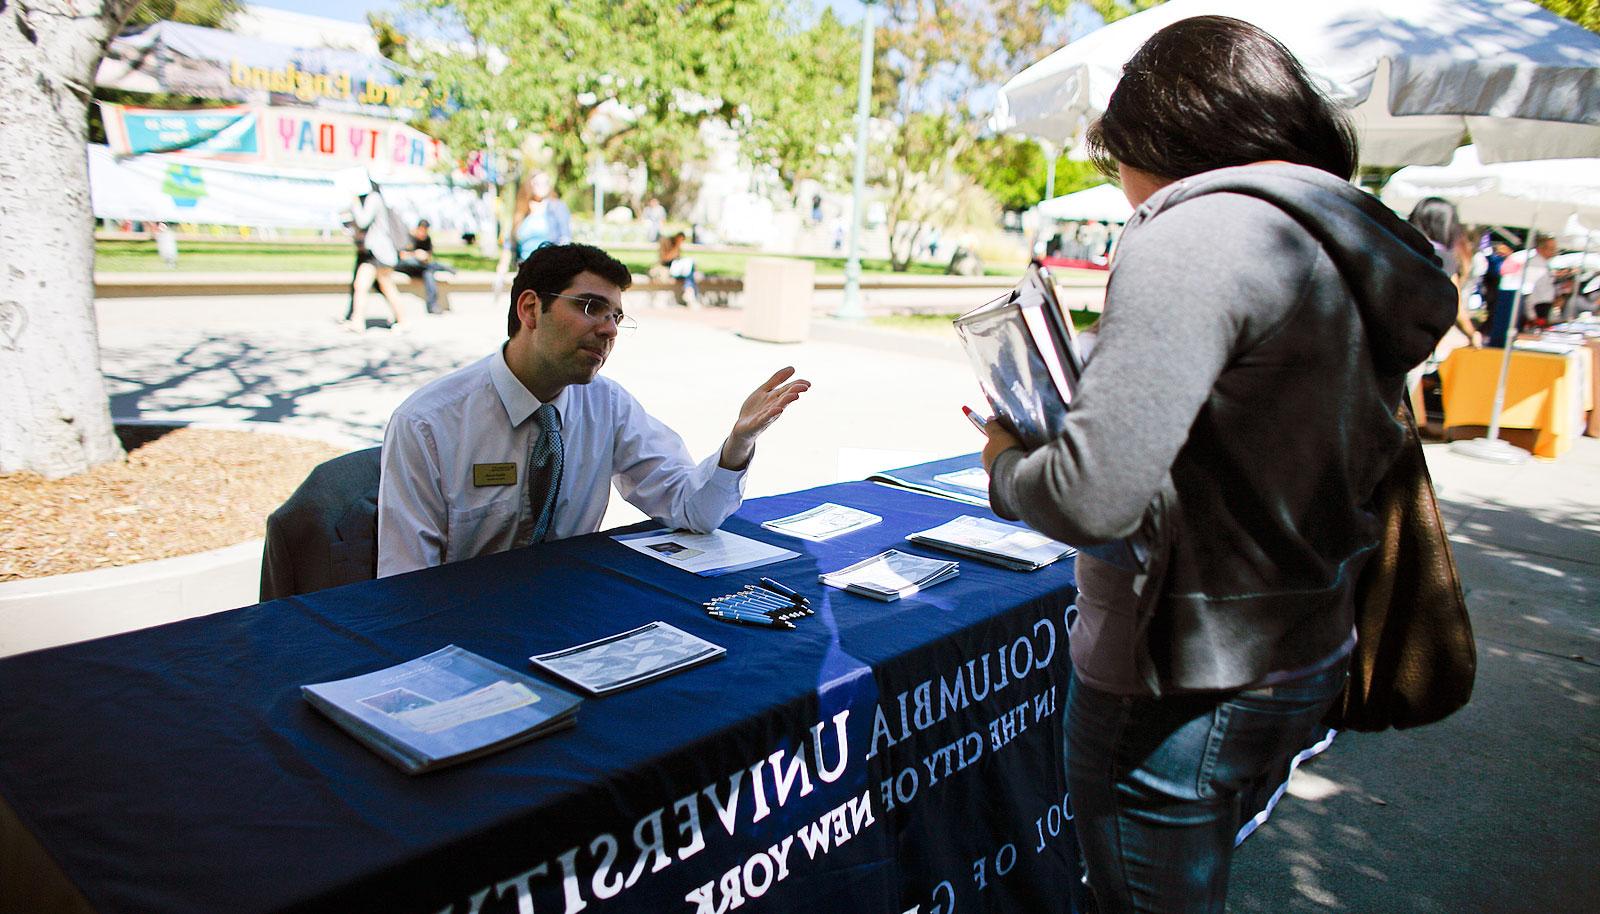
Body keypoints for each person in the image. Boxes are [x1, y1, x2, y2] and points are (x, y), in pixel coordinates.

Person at [976, 17, 1457, 914]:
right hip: (1301, 641)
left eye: (1116, 159)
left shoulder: (1195, 234)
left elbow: (1092, 497)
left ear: (1162, 136)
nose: (1121, 190)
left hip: (1177, 673)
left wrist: (1006, 464)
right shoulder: (1341, 234)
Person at [377, 243, 809, 577]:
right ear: (530, 309)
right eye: (590, 307)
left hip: (572, 609)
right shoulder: (429, 423)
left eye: (617, 317)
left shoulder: (607, 406)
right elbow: (404, 580)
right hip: (459, 624)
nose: (608, 329)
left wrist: (739, 442)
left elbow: (693, 510)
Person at [345, 179, 412, 333]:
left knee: (386, 285)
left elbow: (363, 221)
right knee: (361, 285)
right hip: (374, 253)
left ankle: (403, 320)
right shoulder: (375, 198)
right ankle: (357, 321)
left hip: (380, 252)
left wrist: (354, 201)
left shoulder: (374, 198)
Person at [492, 171, 573, 297]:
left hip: (549, 269)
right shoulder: (522, 210)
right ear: (530, 185)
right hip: (525, 269)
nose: (542, 186)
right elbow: (510, 243)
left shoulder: (557, 208)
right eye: (537, 183)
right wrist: (501, 271)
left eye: (545, 183)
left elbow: (565, 239)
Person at [1502, 233, 1559, 331]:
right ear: (1542, 249)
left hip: (1541, 308)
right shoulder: (1534, 265)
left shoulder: (1544, 264)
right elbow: (1528, 293)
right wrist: (1532, 316)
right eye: (1552, 248)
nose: (1554, 251)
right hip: (1536, 310)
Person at [393, 219, 449, 315]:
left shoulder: (427, 239)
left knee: (428, 273)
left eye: (425, 231)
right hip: (405, 265)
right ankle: (440, 267)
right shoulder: (407, 237)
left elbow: (429, 255)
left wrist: (425, 256)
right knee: (419, 264)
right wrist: (415, 254)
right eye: (421, 231)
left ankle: (432, 305)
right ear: (417, 229)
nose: (423, 234)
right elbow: (401, 255)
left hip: (421, 267)